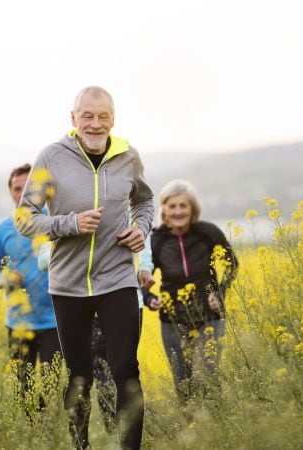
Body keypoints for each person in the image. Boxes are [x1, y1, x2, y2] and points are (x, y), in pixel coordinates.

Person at [15, 86, 153, 450]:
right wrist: (68, 224)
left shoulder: (128, 156)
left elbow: (145, 201)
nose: (95, 124)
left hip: (118, 279)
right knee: (80, 377)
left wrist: (141, 229)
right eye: (87, 116)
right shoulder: (51, 157)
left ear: (113, 119)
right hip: (68, 285)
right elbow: (25, 218)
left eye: (103, 116)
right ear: (73, 119)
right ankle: (82, 447)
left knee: (126, 370)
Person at [138, 179, 238, 403]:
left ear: (192, 208)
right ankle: (192, 431)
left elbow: (232, 264)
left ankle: (217, 426)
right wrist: (148, 297)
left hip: (208, 316)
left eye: (183, 205)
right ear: (164, 209)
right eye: (172, 206)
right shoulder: (156, 240)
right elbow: (142, 276)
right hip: (173, 320)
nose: (178, 211)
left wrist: (219, 293)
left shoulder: (208, 233)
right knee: (183, 382)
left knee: (208, 374)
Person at [38, 241, 146, 435]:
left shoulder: (121, 212)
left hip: (119, 294)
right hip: (74, 296)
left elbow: (145, 244)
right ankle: (84, 442)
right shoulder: (62, 215)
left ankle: (120, 438)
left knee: (124, 371)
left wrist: (144, 266)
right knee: (80, 377)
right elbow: (43, 258)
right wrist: (73, 245)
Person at [0, 164, 60, 407]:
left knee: (50, 389)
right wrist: (4, 280)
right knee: (23, 392)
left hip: (54, 322)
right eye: (17, 189)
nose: (22, 194)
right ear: (11, 193)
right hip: (17, 324)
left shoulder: (55, 222)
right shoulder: (3, 230)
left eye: (28, 188)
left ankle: (47, 437)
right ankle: (33, 437)